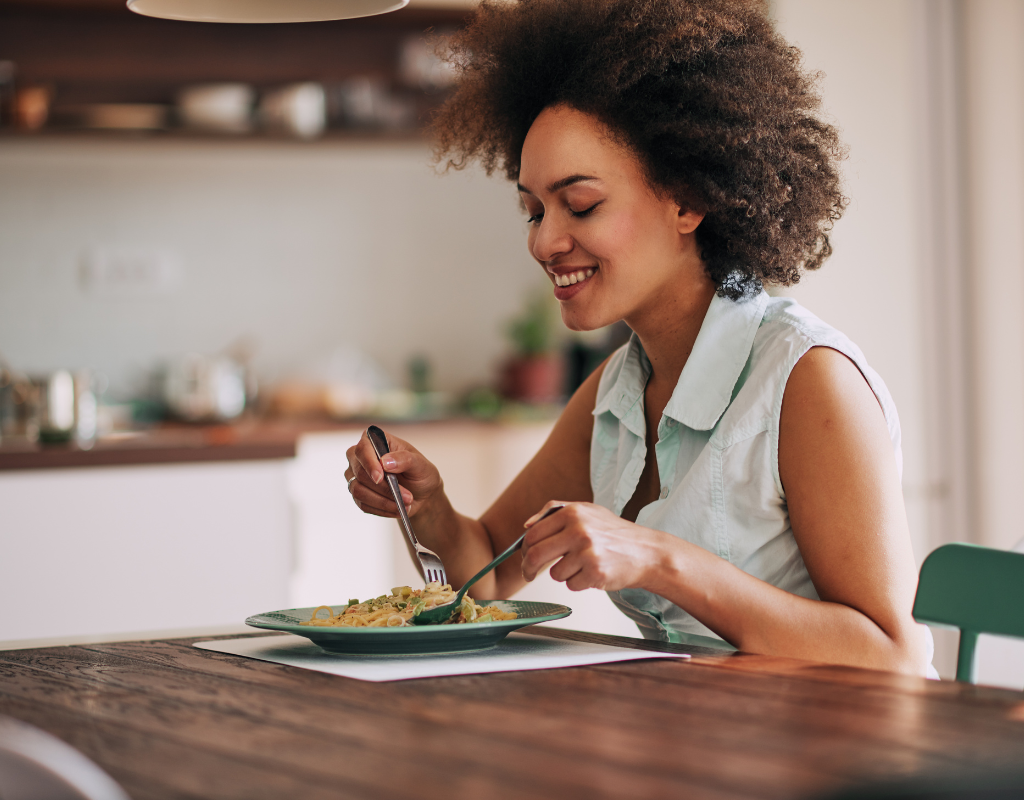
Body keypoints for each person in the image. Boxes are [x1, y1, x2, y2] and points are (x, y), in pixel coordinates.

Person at [345, 0, 933, 675]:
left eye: (581, 204)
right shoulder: (619, 389)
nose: (543, 240)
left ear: (686, 200)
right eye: (533, 210)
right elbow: (488, 577)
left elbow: (893, 655)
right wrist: (429, 506)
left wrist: (656, 557)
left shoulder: (806, 380)